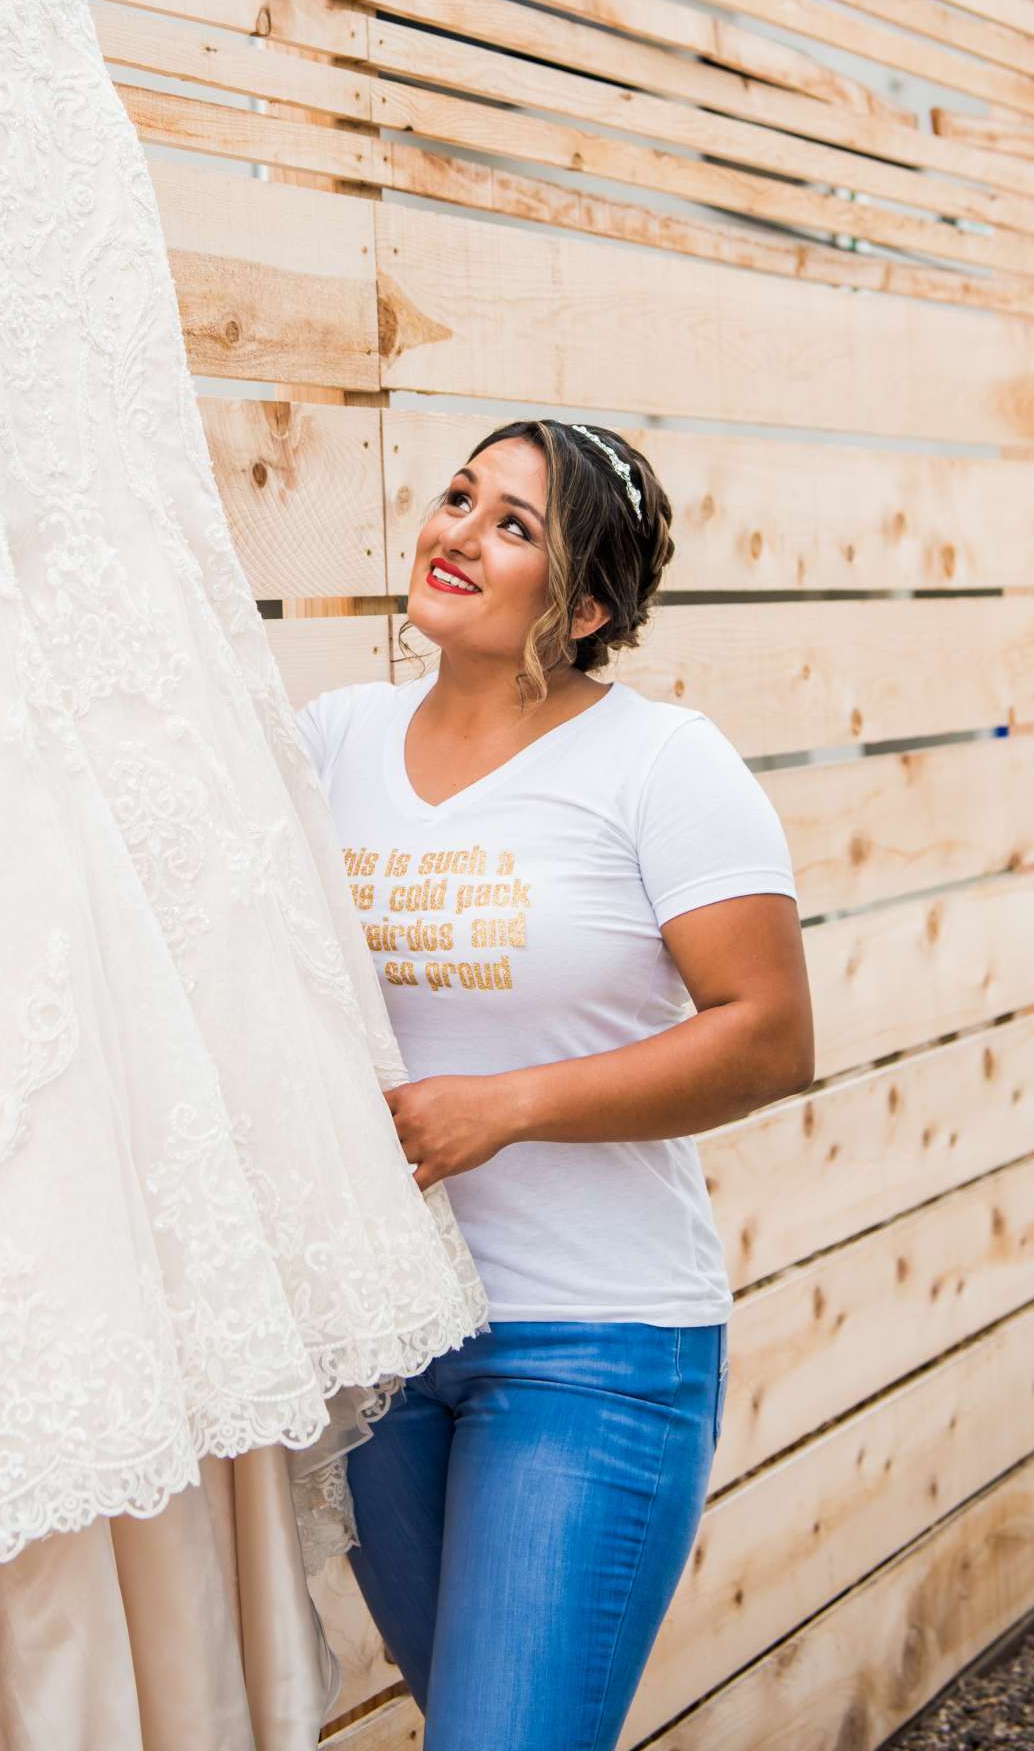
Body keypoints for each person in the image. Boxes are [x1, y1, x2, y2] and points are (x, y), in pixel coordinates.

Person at [293, 417, 813, 1751]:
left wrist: (506, 1104)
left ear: (582, 604)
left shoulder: (658, 764)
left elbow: (764, 1036)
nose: (458, 531)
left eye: (513, 524)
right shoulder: (328, 742)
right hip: (386, 1344)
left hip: (594, 1345)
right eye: (460, 496)